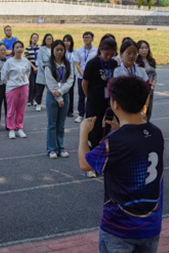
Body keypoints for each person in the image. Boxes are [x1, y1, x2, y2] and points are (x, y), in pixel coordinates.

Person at [78, 76, 164, 253]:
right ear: (145, 102)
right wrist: (119, 129)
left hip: (118, 227)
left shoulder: (113, 142)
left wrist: (83, 133)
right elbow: (135, 143)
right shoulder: (156, 133)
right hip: (150, 223)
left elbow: (85, 163)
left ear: (114, 104)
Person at [82, 38, 118, 177]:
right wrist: (90, 97)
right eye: (106, 54)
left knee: (106, 132)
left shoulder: (114, 63)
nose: (108, 57)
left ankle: (103, 162)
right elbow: (85, 84)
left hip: (108, 103)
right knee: (93, 133)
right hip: (94, 103)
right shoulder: (92, 64)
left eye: (111, 54)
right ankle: (90, 165)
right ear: (100, 50)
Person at [45, 40, 75, 158]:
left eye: (61, 50)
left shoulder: (68, 64)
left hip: (64, 94)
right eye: (57, 50)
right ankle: (52, 149)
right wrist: (59, 98)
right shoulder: (48, 65)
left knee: (61, 124)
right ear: (52, 51)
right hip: (52, 96)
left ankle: (60, 147)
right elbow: (51, 83)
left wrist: (61, 93)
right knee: (52, 123)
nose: (59, 52)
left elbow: (70, 80)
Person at [1, 40, 31, 139]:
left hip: (24, 87)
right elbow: (4, 76)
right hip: (12, 88)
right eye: (17, 47)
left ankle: (19, 127)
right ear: (13, 49)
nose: (19, 49)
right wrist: (10, 83)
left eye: (21, 47)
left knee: (21, 109)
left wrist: (24, 82)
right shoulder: (9, 62)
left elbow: (28, 73)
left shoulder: (25, 61)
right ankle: (11, 129)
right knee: (11, 110)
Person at [113, 39, 151, 115]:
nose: (131, 56)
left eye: (134, 53)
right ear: (121, 54)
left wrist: (145, 108)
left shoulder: (141, 70)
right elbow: (116, 93)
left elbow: (148, 91)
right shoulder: (117, 71)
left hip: (139, 108)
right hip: (123, 110)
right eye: (128, 53)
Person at [74, 32, 98, 122]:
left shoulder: (96, 51)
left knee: (91, 96)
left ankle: (90, 114)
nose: (86, 39)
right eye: (85, 37)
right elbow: (77, 64)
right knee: (81, 96)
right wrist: (84, 75)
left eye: (88, 37)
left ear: (92, 39)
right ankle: (80, 114)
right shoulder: (79, 51)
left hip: (92, 78)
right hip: (81, 77)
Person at [136, 40, 157, 121]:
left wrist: (153, 85)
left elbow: (154, 75)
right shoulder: (136, 62)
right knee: (141, 110)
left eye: (146, 48)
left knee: (148, 111)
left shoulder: (151, 61)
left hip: (150, 89)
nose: (144, 50)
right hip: (141, 90)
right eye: (142, 48)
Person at [34, 33, 54, 111]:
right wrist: (45, 69)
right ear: (44, 40)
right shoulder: (42, 49)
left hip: (51, 71)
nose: (49, 40)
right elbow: (40, 60)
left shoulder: (54, 48)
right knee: (40, 90)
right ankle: (38, 104)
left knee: (51, 90)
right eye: (47, 39)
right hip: (43, 71)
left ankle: (51, 104)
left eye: (50, 39)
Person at [62, 34, 76, 118]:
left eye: (68, 41)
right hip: (62, 75)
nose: (66, 43)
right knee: (63, 91)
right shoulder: (61, 51)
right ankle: (63, 109)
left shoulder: (74, 52)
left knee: (70, 93)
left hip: (72, 75)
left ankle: (70, 110)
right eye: (64, 41)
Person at [24, 33, 40, 106]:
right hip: (31, 66)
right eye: (33, 38)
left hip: (38, 66)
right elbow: (27, 60)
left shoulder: (40, 48)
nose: (35, 39)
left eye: (36, 38)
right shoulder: (28, 49)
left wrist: (38, 67)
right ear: (31, 39)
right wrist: (34, 67)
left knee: (37, 84)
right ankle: (30, 99)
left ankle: (36, 99)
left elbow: (41, 59)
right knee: (32, 83)